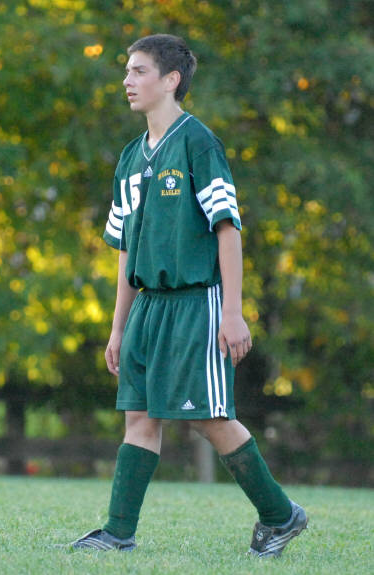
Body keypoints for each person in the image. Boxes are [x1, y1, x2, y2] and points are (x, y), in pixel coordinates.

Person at [71, 34, 307, 557]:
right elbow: (125, 251)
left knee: (207, 417)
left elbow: (228, 228)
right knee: (140, 417)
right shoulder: (130, 158)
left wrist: (233, 312)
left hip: (195, 302)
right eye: (127, 71)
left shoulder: (198, 142)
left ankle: (280, 515)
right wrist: (117, 327)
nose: (127, 81)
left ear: (171, 80)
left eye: (138, 71)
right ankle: (117, 533)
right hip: (147, 307)